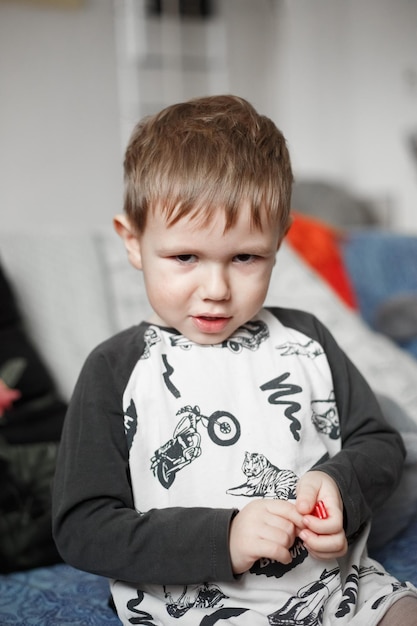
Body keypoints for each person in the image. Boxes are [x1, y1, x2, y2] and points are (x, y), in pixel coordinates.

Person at [52, 95, 417, 625]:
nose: (216, 289)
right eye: (185, 258)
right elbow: (83, 526)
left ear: (279, 243)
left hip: (343, 591)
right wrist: (226, 536)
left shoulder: (307, 338)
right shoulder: (115, 368)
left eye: (245, 257)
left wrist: (340, 483)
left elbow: (379, 444)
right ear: (132, 242)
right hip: (192, 610)